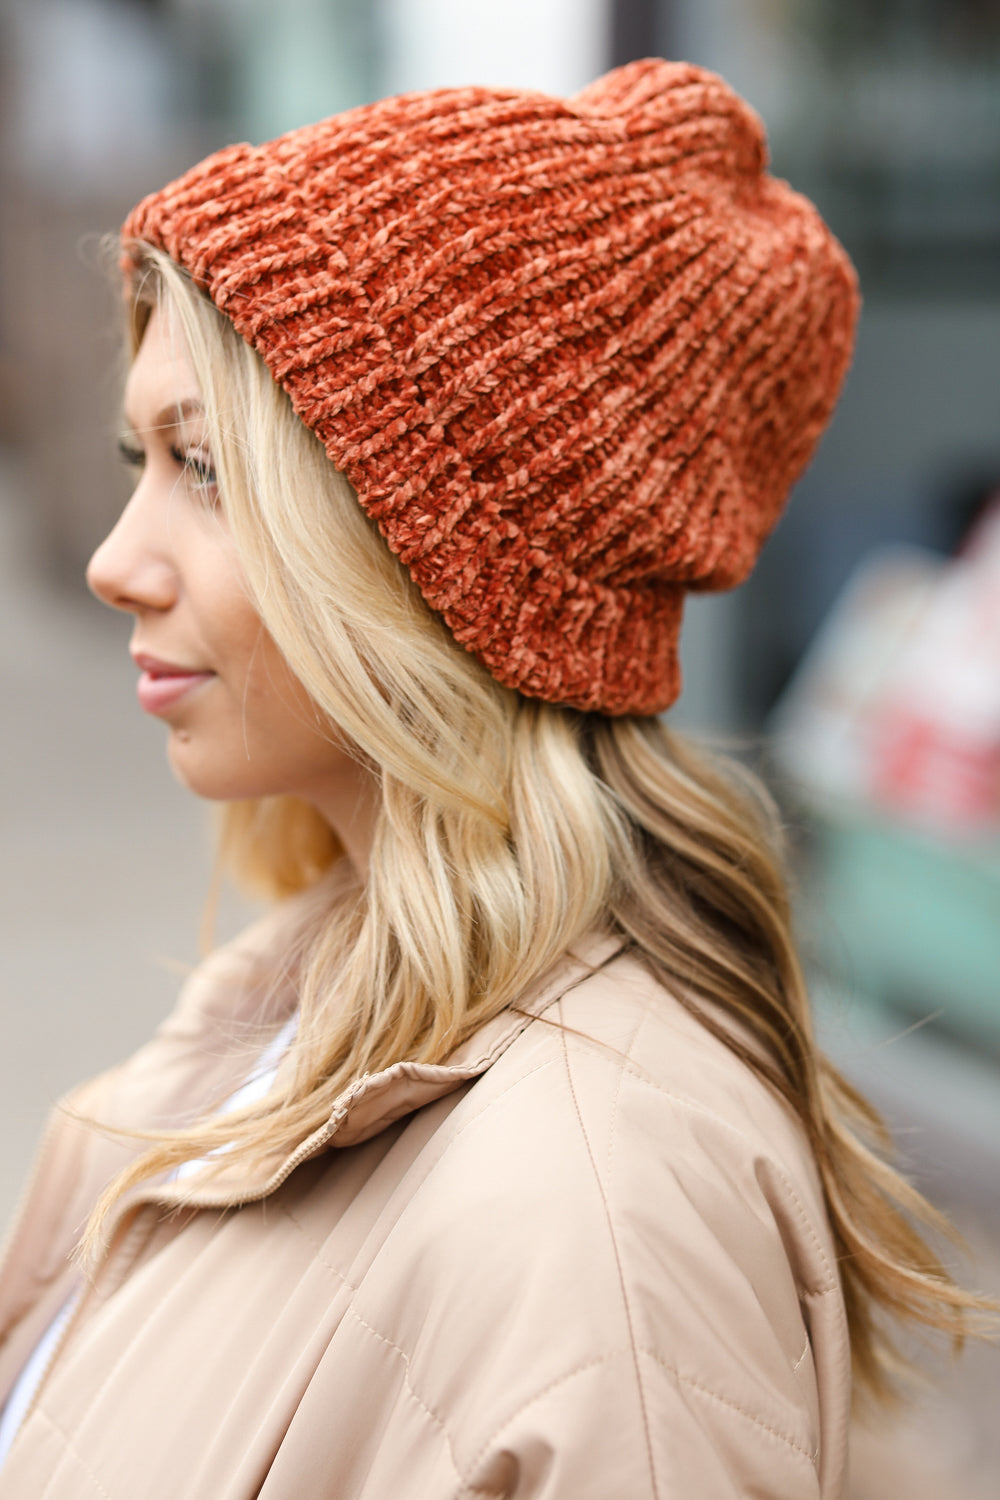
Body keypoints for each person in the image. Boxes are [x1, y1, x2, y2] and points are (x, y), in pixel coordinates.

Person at [0, 57, 986, 1500]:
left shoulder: (599, 1216)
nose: (114, 561)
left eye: (205, 469)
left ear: (438, 562)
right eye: (137, 459)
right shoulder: (299, 1013)